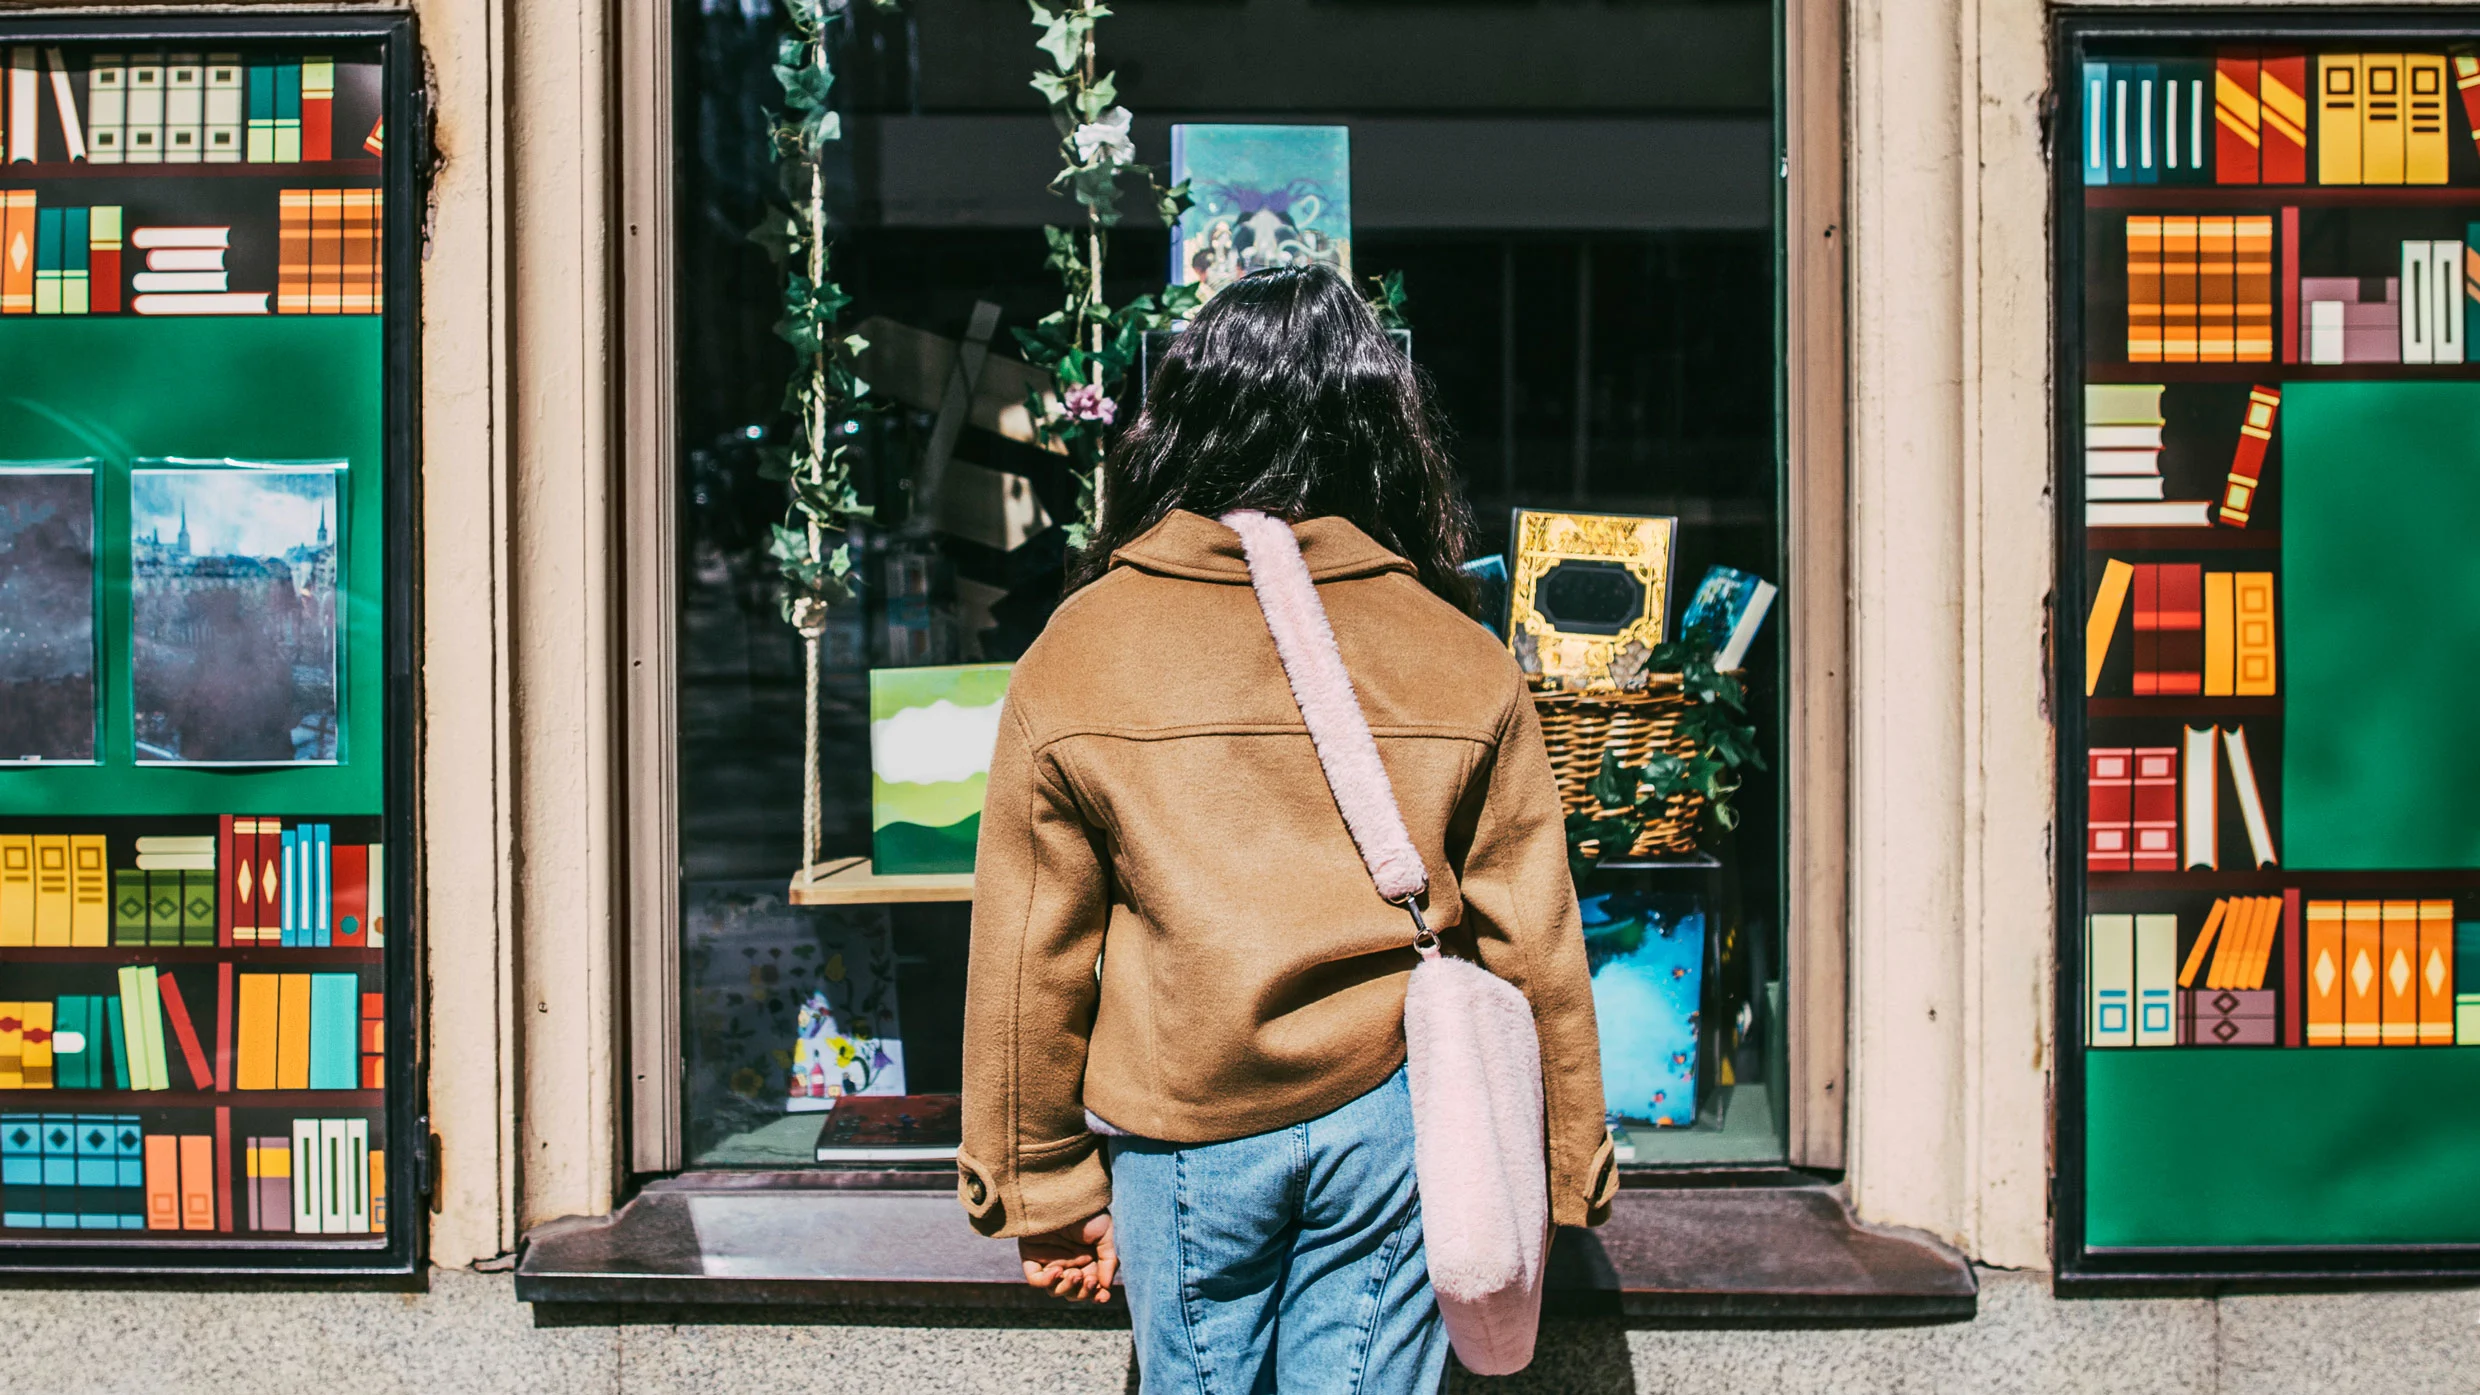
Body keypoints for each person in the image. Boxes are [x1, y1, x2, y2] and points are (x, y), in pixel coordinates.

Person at [957, 264, 1616, 1394]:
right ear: (1382, 432)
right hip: (1397, 1118)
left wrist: (1041, 1187)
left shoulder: (1080, 649)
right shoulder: (1457, 653)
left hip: (1181, 1127)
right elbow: (1533, 944)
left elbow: (1030, 955)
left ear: (1182, 426)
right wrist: (1563, 1168)